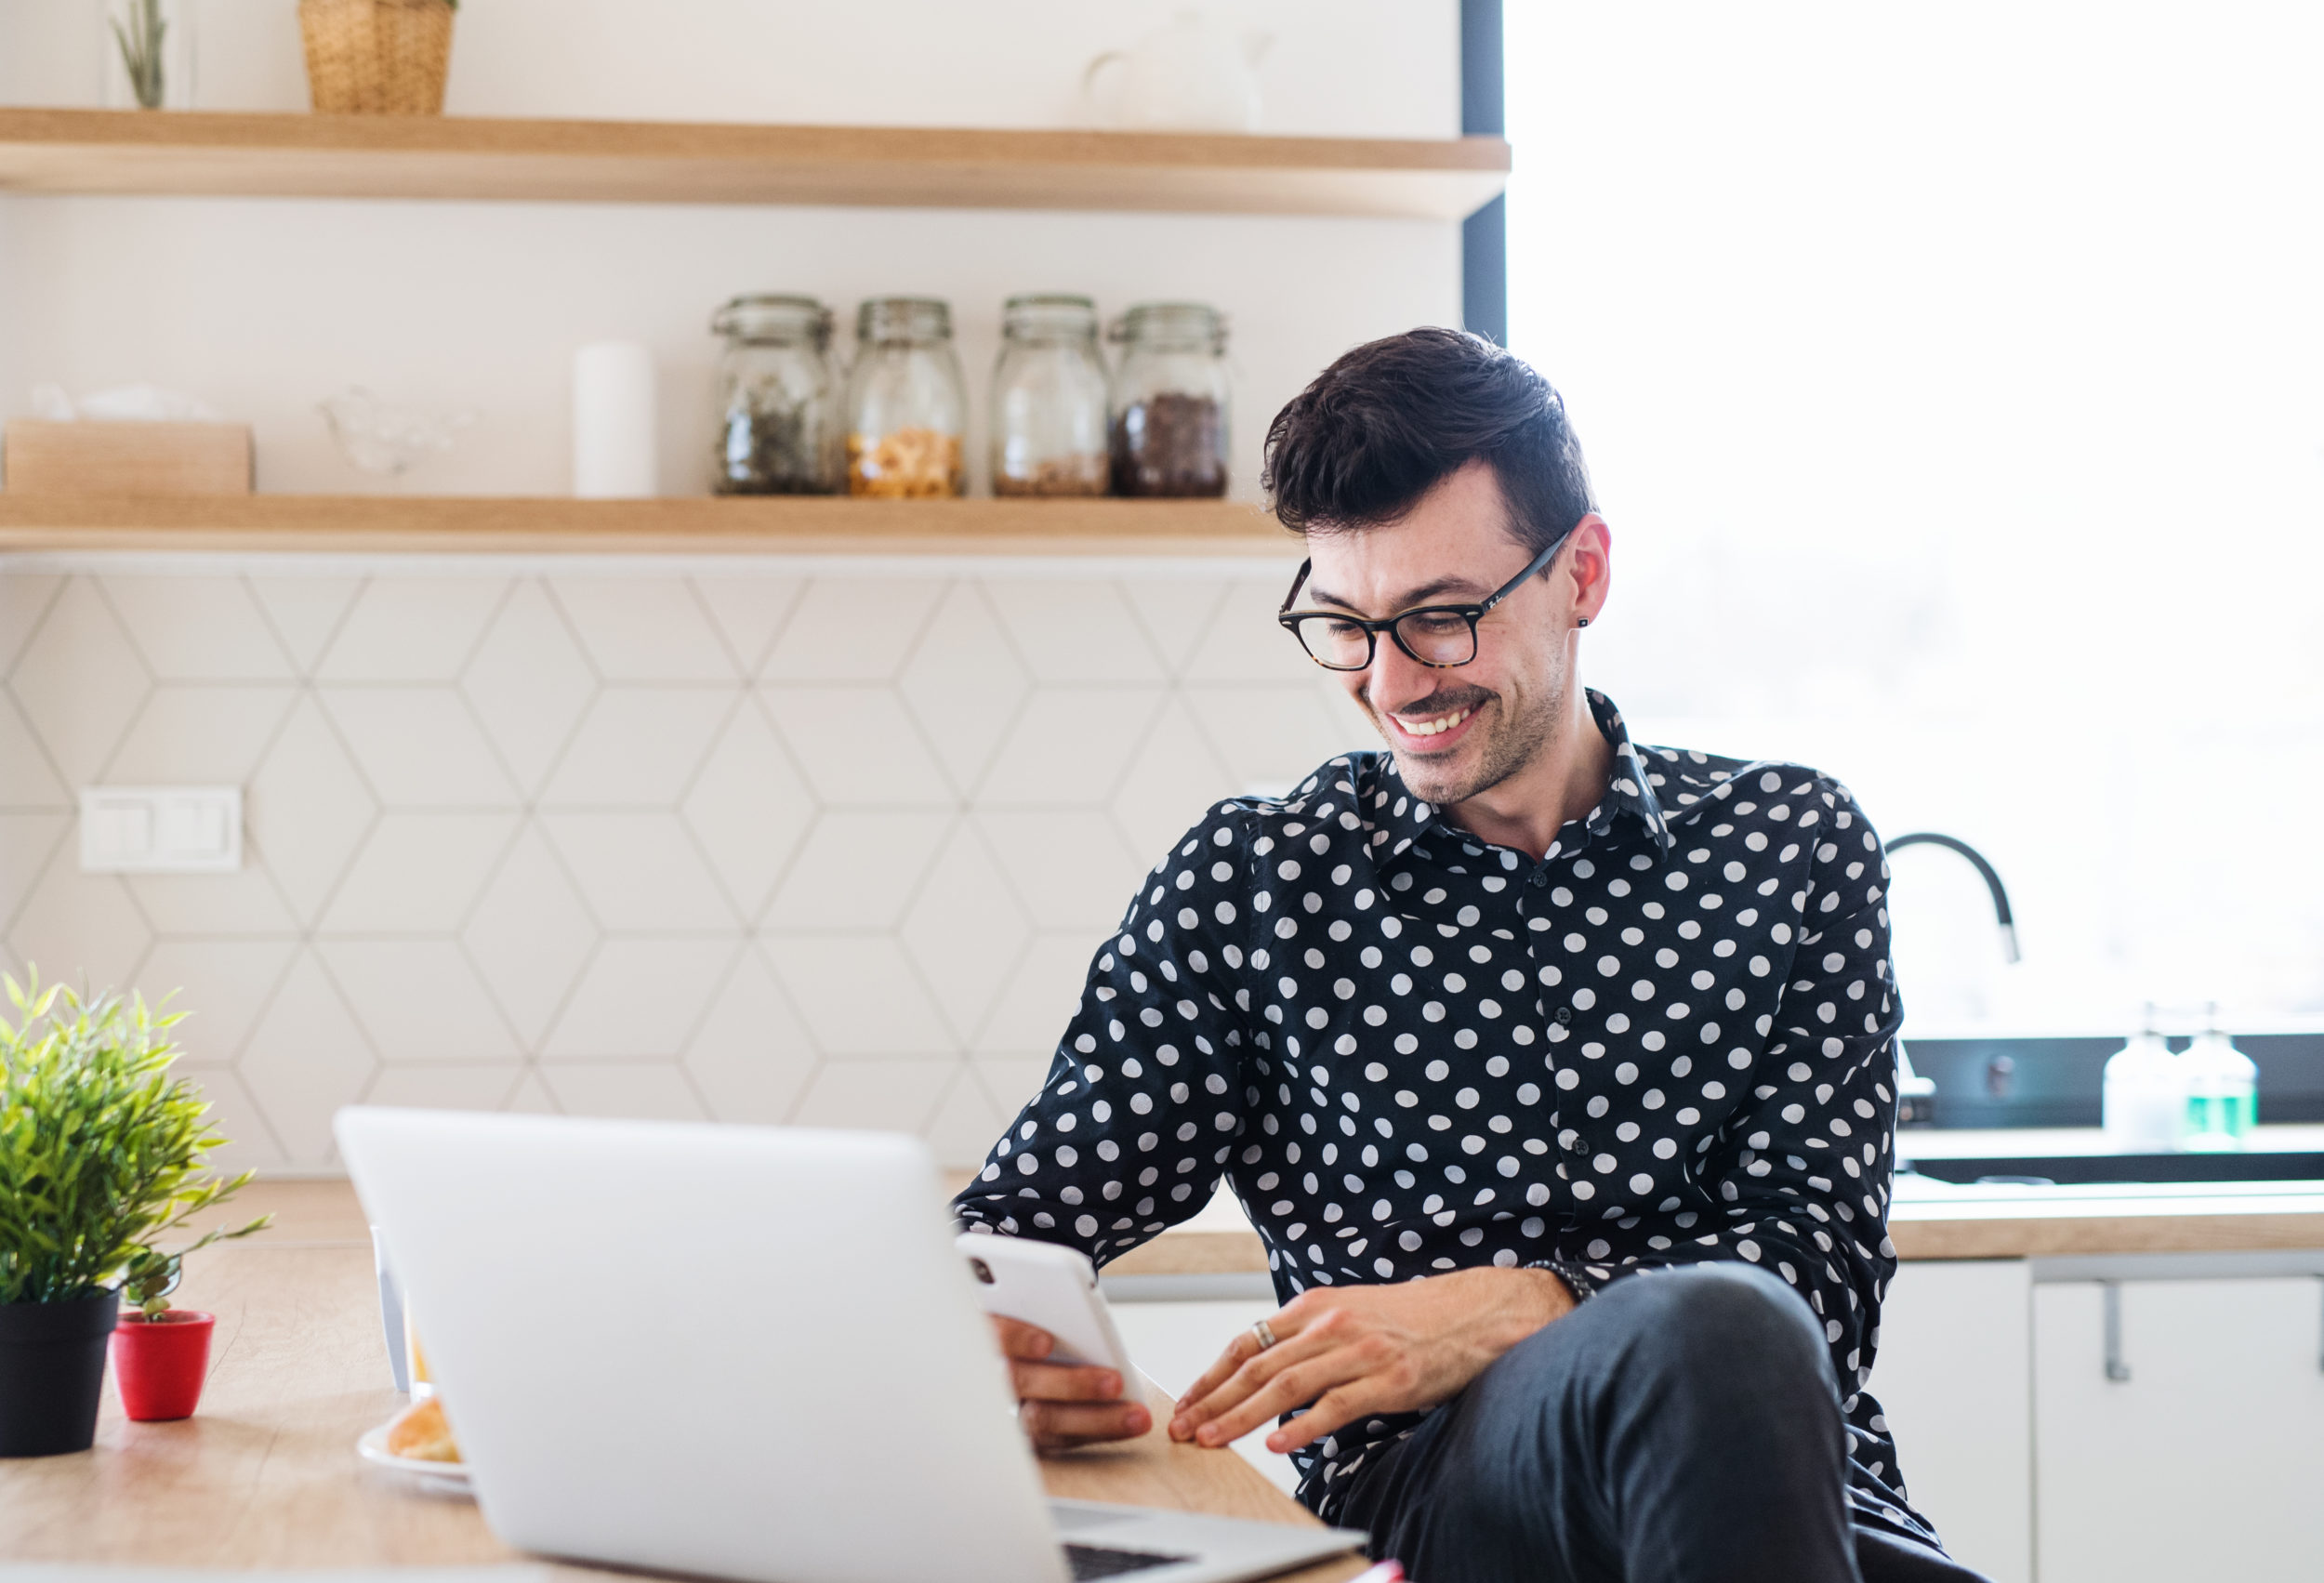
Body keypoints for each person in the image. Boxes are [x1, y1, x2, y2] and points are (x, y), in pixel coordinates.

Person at [954, 327, 1985, 1583]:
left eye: (1441, 620)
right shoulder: (1261, 882)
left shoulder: (1790, 846)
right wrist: (983, 1346)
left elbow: (1819, 1277)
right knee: (1715, 1318)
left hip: (1783, 1498)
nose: (1391, 682)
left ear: (1584, 572)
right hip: (1447, 1510)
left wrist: (1521, 1297)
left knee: (1726, 1330)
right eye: (1346, 625)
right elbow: (1016, 1231)